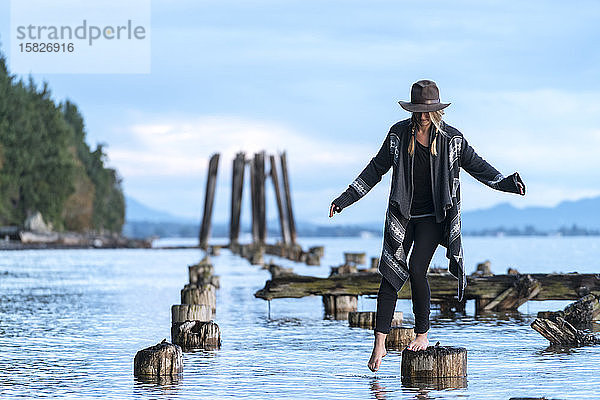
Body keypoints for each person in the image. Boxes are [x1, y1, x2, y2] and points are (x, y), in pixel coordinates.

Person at [328, 79, 526, 372]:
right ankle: (379, 343)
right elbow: (375, 168)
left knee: (417, 269)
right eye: (418, 111)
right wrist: (345, 198)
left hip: (433, 218)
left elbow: (479, 167)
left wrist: (508, 184)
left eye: (427, 111)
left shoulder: (451, 139)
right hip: (403, 215)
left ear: (436, 111)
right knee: (390, 273)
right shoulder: (397, 135)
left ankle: (422, 334)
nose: (422, 116)